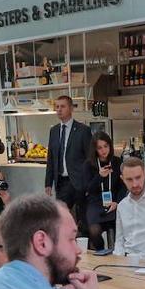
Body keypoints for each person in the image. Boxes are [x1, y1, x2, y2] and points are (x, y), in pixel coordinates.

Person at [43, 96, 93, 229]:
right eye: (57, 107)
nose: (59, 110)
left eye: (62, 106)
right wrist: (48, 182)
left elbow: (90, 158)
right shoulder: (53, 131)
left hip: (79, 182)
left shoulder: (83, 130)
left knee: (84, 219)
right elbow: (51, 158)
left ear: (71, 108)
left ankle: (85, 246)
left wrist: (88, 183)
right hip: (62, 182)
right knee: (59, 218)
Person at [82, 131, 124, 252]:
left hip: (113, 202)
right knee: (94, 231)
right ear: (95, 149)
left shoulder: (117, 162)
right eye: (100, 147)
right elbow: (87, 189)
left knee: (121, 230)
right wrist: (99, 177)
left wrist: (117, 201)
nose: (104, 150)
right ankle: (101, 252)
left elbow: (123, 186)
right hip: (95, 203)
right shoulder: (88, 165)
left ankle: (117, 253)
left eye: (106, 146)